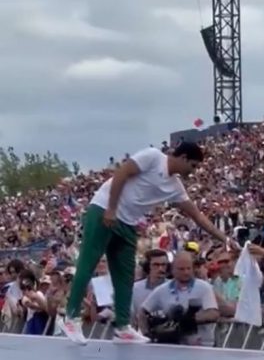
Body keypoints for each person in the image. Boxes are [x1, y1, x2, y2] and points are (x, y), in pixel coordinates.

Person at [58, 142, 235, 345]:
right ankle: (71, 318)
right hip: (104, 210)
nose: (193, 172)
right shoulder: (153, 157)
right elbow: (121, 174)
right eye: (192, 166)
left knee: (125, 276)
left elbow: (197, 216)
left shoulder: (176, 187)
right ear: (183, 158)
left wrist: (226, 239)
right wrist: (111, 209)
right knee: (88, 264)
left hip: (128, 223)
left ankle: (123, 327)